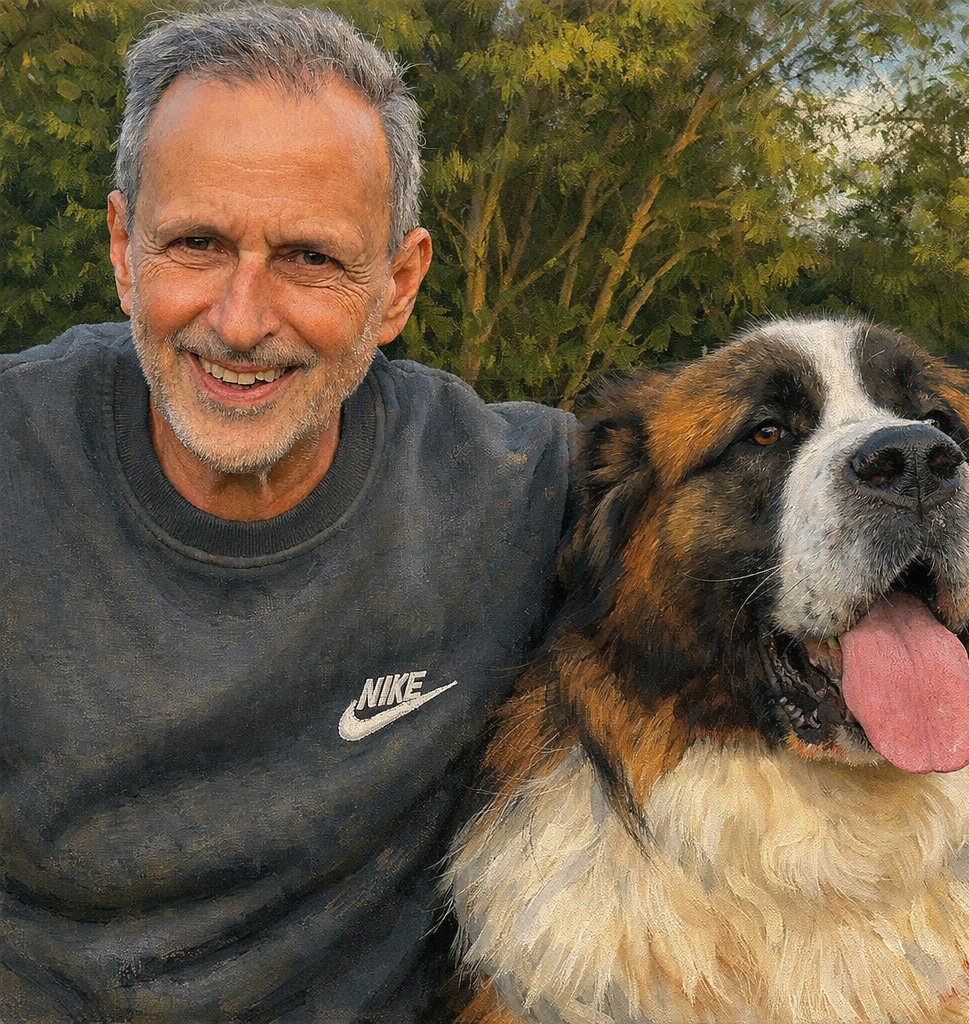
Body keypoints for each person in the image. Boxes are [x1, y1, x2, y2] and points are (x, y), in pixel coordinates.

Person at [0, 4, 575, 1021]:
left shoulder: (519, 489)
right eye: (196, 244)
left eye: (310, 258)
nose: (241, 320)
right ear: (123, 246)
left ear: (397, 285)